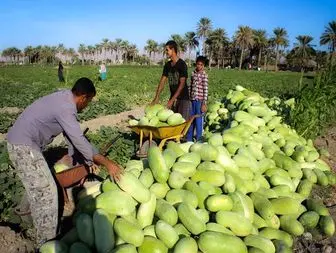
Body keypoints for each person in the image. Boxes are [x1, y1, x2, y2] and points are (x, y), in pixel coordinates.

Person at [6, 77, 123, 248]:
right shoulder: (66, 108)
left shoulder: (64, 98)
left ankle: (43, 235)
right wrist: (107, 162)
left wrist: (83, 158)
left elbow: (71, 137)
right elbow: (78, 138)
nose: (87, 105)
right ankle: (46, 244)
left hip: (24, 143)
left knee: (41, 189)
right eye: (89, 101)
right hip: (23, 146)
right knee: (47, 192)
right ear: (83, 97)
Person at [151, 40, 190, 120]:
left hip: (183, 99)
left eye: (167, 50)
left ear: (173, 50)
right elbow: (162, 81)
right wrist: (157, 97)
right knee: (171, 122)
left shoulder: (182, 64)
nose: (166, 52)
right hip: (173, 97)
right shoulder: (167, 65)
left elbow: (182, 84)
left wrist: (172, 100)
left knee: (182, 122)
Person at [186, 56, 208, 142]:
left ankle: (199, 140)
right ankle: (189, 139)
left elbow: (205, 89)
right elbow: (190, 86)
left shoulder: (204, 75)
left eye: (201, 65)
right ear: (196, 64)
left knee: (199, 120)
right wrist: (188, 97)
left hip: (200, 101)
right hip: (192, 100)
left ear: (203, 66)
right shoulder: (193, 73)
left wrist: (204, 103)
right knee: (191, 119)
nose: (199, 66)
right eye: (198, 64)